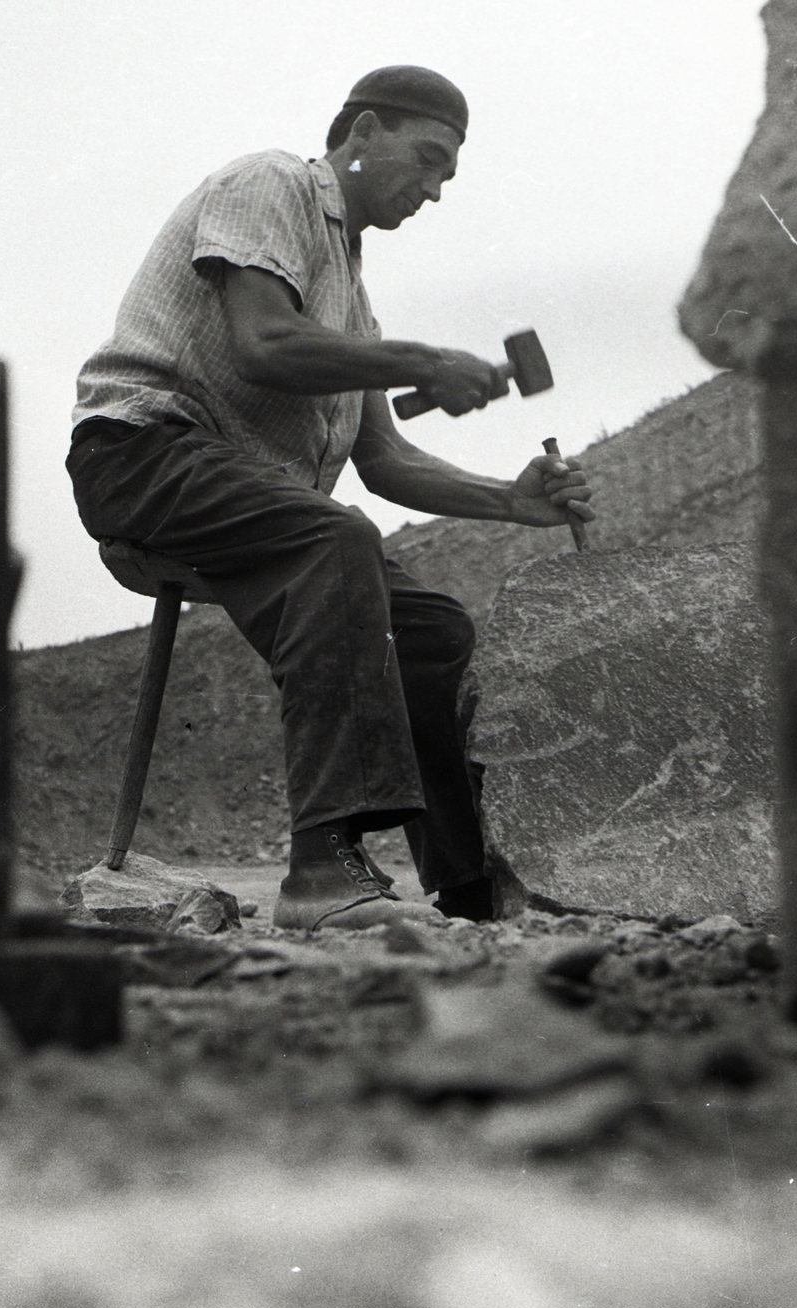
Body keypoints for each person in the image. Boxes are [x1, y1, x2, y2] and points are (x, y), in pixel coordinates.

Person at [66, 65, 594, 929]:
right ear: (362, 134)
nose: (430, 191)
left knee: (431, 628)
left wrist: (512, 499)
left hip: (250, 493)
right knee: (334, 540)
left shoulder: (352, 295)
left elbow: (383, 461)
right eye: (424, 162)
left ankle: (468, 887)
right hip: (142, 454)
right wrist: (422, 363)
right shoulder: (268, 184)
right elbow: (264, 343)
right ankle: (321, 870)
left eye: (445, 179)